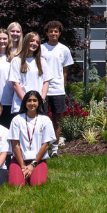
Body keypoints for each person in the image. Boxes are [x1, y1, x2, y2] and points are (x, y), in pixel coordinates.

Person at [42, 20, 74, 158]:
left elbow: (65, 71)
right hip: (42, 89)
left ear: (59, 33)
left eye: (56, 31)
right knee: (42, 121)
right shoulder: (41, 48)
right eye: (51, 31)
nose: (53, 33)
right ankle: (42, 150)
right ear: (47, 33)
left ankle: (54, 150)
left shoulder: (64, 50)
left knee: (56, 121)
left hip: (57, 90)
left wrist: (63, 86)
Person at [8, 91, 54, 186]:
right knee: (15, 185)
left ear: (39, 103)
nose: (32, 103)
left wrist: (33, 165)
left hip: (38, 160)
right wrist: (23, 166)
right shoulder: (17, 120)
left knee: (37, 184)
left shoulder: (45, 120)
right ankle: (25, 173)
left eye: (34, 100)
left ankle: (32, 174)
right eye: (29, 100)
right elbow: (15, 145)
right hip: (19, 160)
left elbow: (45, 145)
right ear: (25, 102)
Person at [9, 32, 52, 114]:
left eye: (37, 42)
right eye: (32, 41)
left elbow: (46, 82)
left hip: (38, 106)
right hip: (20, 104)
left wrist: (41, 100)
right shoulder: (17, 60)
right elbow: (15, 83)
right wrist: (26, 101)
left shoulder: (42, 61)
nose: (34, 44)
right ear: (26, 42)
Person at [0, 29, 16, 128]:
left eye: (4, 38)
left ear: (9, 40)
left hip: (11, 101)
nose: (2, 41)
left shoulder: (15, 58)